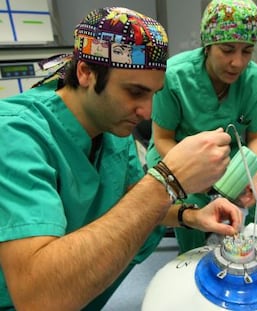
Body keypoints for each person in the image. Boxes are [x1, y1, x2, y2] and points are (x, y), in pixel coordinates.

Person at [0, 7, 242, 310]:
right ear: (86, 72)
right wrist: (169, 179)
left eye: (153, 94)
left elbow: (127, 198)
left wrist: (189, 215)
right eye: (135, 92)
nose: (147, 112)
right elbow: (38, 298)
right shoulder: (15, 135)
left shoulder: (113, 124)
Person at [146, 0, 257, 255]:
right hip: (176, 150)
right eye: (227, 49)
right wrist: (205, 181)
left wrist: (254, 175)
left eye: (247, 51)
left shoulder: (255, 80)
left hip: (225, 153)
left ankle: (246, 249)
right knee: (190, 195)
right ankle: (194, 257)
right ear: (207, 45)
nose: (238, 63)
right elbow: (162, 138)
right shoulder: (175, 75)